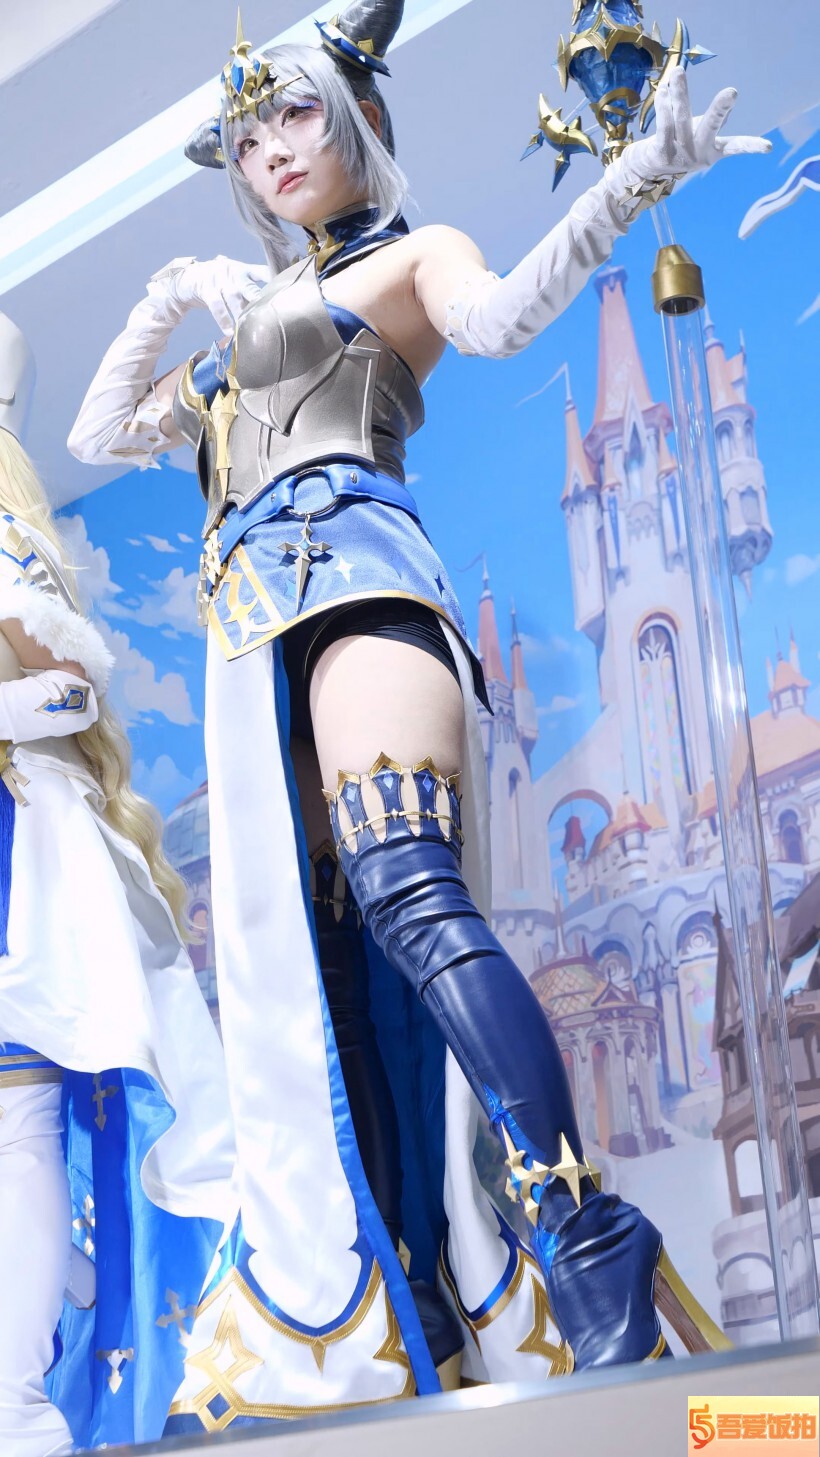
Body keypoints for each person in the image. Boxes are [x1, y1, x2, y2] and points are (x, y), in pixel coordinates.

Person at [69, 1, 767, 1426]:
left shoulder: (407, 255)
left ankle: (586, 1234)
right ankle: (415, 1291)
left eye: (296, 112)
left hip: (355, 581)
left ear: (358, 119)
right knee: (327, 966)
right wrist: (176, 286)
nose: (271, 148)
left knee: (410, 898)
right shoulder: (236, 332)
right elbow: (97, 432)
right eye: (246, 135)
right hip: (252, 641)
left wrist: (633, 182)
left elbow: (500, 320)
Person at [0, 311, 235, 1455]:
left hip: (20, 853)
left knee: (17, 1121)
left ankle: (21, 1401)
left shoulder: (4, 538)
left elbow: (68, 695)